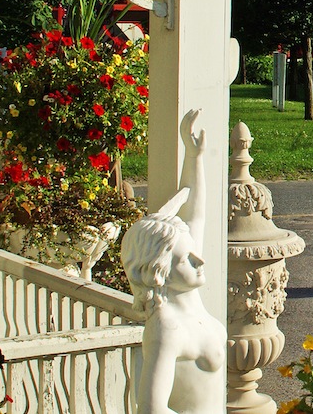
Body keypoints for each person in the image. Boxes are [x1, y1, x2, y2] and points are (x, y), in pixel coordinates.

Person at [122, 110, 225, 414]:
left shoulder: (190, 295)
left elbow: (195, 214)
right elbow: (151, 410)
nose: (200, 259)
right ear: (159, 272)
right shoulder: (167, 328)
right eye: (186, 259)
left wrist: (193, 156)